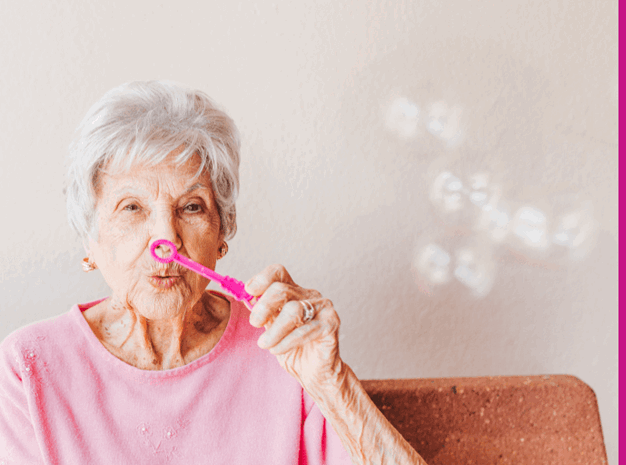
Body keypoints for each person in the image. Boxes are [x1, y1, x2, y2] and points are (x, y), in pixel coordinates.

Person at [0, 81, 427, 465]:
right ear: (89, 239)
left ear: (221, 232)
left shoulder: (281, 350)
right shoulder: (28, 368)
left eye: (191, 207)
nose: (166, 236)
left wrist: (332, 384)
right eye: (132, 208)